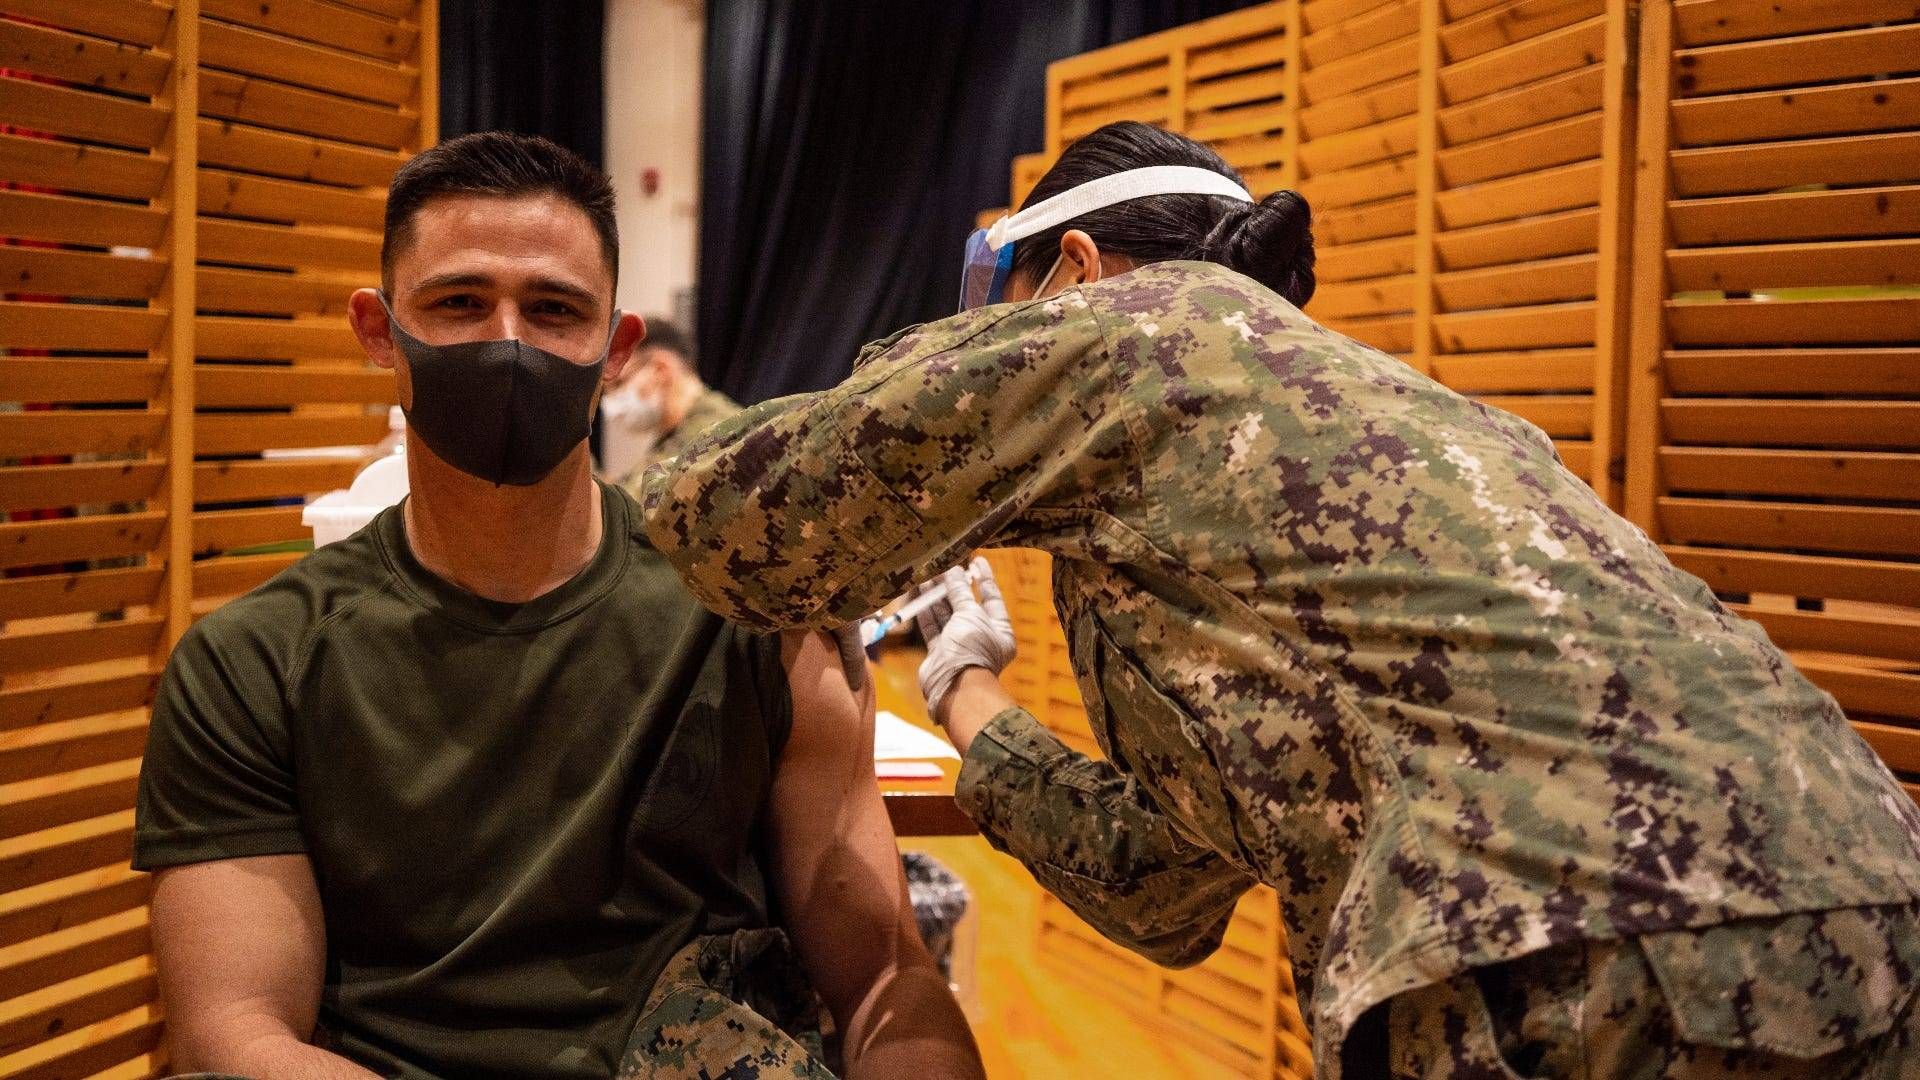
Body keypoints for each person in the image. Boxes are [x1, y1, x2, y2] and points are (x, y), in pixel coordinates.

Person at [640, 121, 1920, 1078]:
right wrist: (965, 683)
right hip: (1869, 905)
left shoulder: (1133, 329)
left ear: (1074, 266)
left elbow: (733, 520)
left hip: (1576, 949)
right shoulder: (1385, 428)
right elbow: (1160, 883)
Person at [133, 131, 982, 1080]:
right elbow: (236, 1031)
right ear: (379, 331)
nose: (508, 343)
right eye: (459, 303)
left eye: (553, 309)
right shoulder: (253, 664)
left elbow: (882, 978)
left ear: (616, 349)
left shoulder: (749, 616)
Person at [596, 318, 740, 497]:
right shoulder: (676, 435)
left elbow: (635, 507)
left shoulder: (716, 433)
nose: (610, 403)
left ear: (660, 369)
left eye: (619, 383)